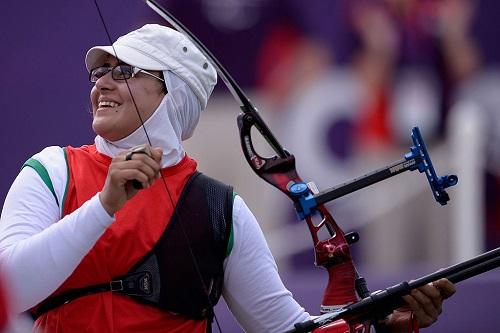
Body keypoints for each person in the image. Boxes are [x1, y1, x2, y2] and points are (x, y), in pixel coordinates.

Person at [0, 24, 454, 333]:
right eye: (99, 72)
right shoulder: (53, 170)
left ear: (172, 92)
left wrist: (383, 324)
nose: (101, 83)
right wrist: (104, 206)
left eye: (123, 71)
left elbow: (286, 329)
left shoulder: (220, 210)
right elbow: (11, 286)